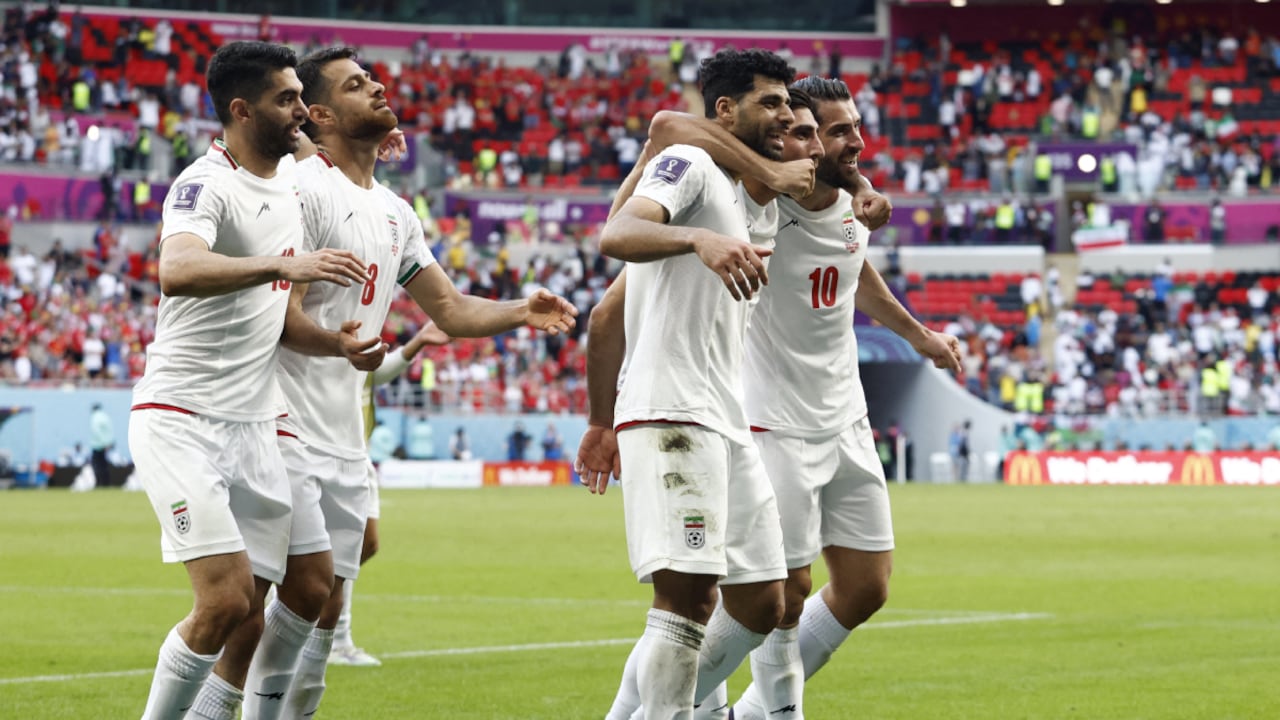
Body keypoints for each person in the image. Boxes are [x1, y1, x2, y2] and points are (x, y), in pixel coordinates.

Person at [263, 46, 578, 719]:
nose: (376, 87)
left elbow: (453, 310)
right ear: (319, 115)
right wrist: (339, 345)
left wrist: (521, 309)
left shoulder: (396, 212)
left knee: (321, 610)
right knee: (285, 597)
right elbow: (277, 315)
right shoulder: (303, 190)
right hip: (283, 423)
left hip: (345, 435)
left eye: (374, 78)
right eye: (355, 84)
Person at [130, 41, 371, 720]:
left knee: (270, 605)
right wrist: (278, 265)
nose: (300, 110)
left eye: (301, 95)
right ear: (241, 109)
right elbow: (177, 269)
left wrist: (334, 345)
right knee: (226, 599)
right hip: (183, 417)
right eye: (286, 99)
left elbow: (278, 317)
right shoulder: (204, 183)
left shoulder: (287, 189)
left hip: (256, 426)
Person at [580, 49, 806, 718]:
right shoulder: (693, 167)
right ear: (726, 111)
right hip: (674, 411)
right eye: (770, 104)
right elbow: (617, 230)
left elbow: (604, 316)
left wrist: (598, 421)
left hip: (721, 416)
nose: (784, 117)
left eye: (789, 108)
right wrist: (696, 242)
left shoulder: (745, 201)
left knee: (765, 599)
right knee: (686, 599)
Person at [329, 320, 452, 669]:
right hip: (326, 451)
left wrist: (418, 342)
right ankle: (335, 640)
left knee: (363, 546)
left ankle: (316, 622)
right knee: (341, 551)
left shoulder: (358, 340)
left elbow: (374, 376)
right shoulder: (323, 334)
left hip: (358, 454)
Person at [88, 402, 114, 488]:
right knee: (104, 465)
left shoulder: (95, 417)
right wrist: (109, 442)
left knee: (97, 465)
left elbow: (97, 432)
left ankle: (99, 483)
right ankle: (106, 483)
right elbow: (109, 431)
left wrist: (104, 443)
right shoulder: (105, 416)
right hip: (107, 444)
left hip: (98, 445)